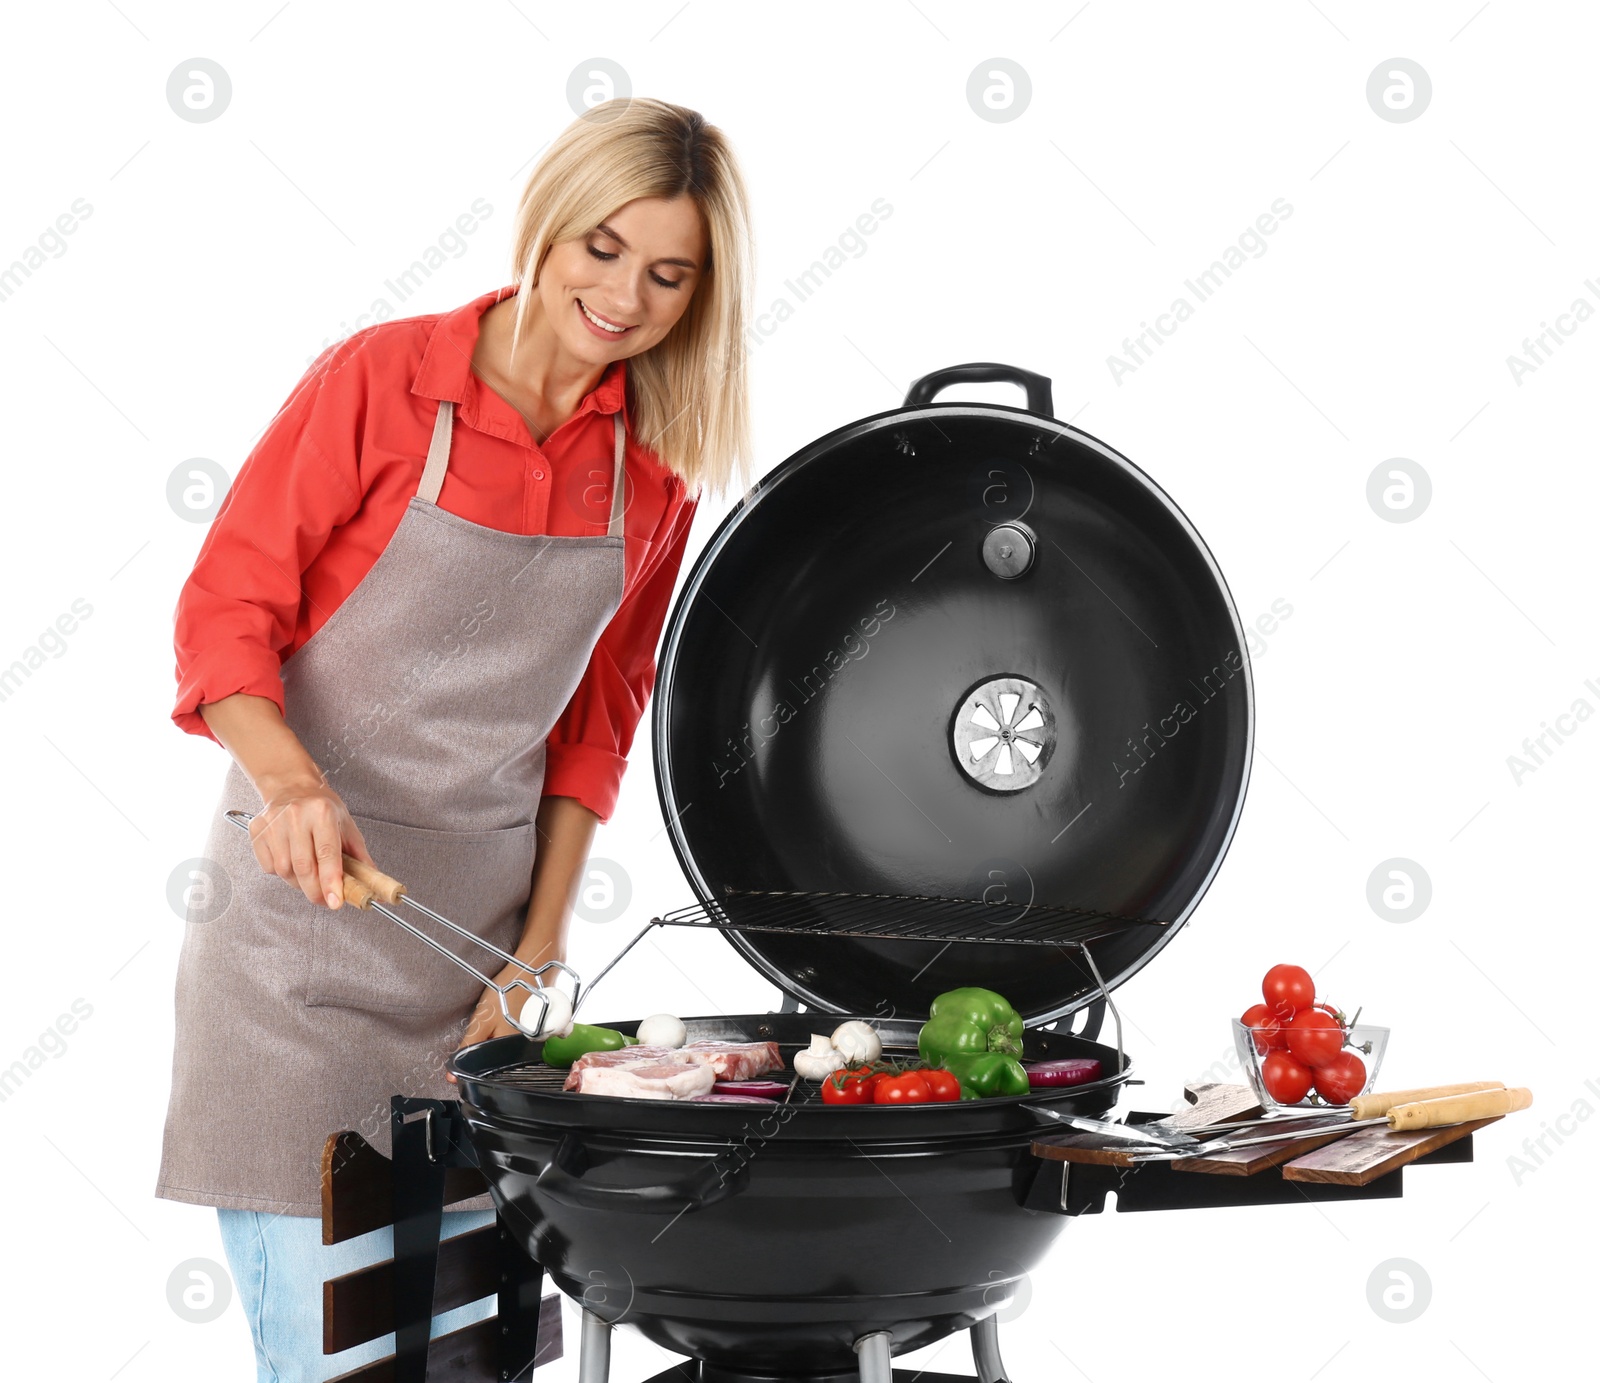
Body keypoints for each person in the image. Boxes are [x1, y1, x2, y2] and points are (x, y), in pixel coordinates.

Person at [155, 97, 753, 1381]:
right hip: (297, 958)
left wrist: (535, 958)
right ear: (548, 222)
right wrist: (291, 785)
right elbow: (226, 616)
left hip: (481, 977)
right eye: (603, 247)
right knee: (342, 1363)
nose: (624, 296)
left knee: (475, 1361)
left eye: (668, 274)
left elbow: (598, 724)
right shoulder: (380, 382)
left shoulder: (654, 472)